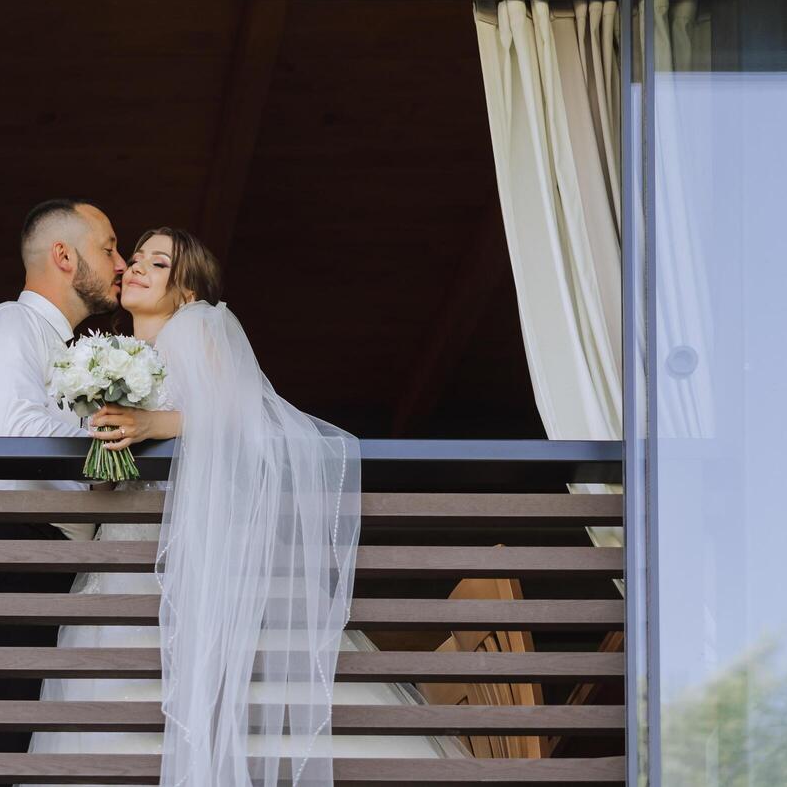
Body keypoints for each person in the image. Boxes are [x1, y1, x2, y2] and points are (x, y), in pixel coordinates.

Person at [27, 227, 466, 787]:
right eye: (135, 259)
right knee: (121, 714)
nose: (136, 267)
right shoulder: (126, 357)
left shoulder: (199, 327)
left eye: (158, 263)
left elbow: (247, 422)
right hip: (126, 560)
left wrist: (156, 425)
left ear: (186, 291)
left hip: (199, 563)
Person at [0, 197, 125, 770]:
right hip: (10, 542)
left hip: (54, 555)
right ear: (64, 255)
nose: (121, 264)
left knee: (45, 738)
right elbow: (22, 430)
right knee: (5, 737)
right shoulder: (8, 323)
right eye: (109, 247)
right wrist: (118, 435)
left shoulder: (75, 353)